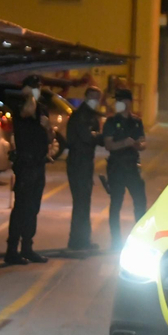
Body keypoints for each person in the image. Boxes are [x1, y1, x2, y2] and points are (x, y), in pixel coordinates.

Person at [6, 76, 53, 264]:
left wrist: (48, 128)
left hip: (39, 164)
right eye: (33, 87)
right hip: (25, 165)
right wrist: (29, 96)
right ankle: (11, 251)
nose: (37, 90)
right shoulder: (19, 106)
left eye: (38, 87)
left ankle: (27, 247)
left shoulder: (42, 109)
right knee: (21, 208)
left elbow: (50, 138)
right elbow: (27, 112)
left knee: (33, 208)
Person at [100, 89, 147, 248]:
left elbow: (143, 142)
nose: (118, 103)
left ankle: (139, 239)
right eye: (117, 100)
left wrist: (138, 145)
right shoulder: (111, 122)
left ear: (128, 102)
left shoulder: (136, 121)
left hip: (132, 167)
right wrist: (124, 143)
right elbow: (109, 145)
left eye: (121, 100)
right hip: (116, 167)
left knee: (140, 202)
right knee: (116, 204)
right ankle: (116, 241)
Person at [63, 86, 103, 251]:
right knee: (81, 203)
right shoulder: (81, 115)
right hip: (78, 163)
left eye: (97, 97)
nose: (95, 100)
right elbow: (88, 137)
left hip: (85, 163)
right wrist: (97, 136)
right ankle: (77, 241)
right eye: (92, 97)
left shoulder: (91, 115)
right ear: (86, 97)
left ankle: (83, 240)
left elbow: (96, 136)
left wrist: (97, 136)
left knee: (84, 203)